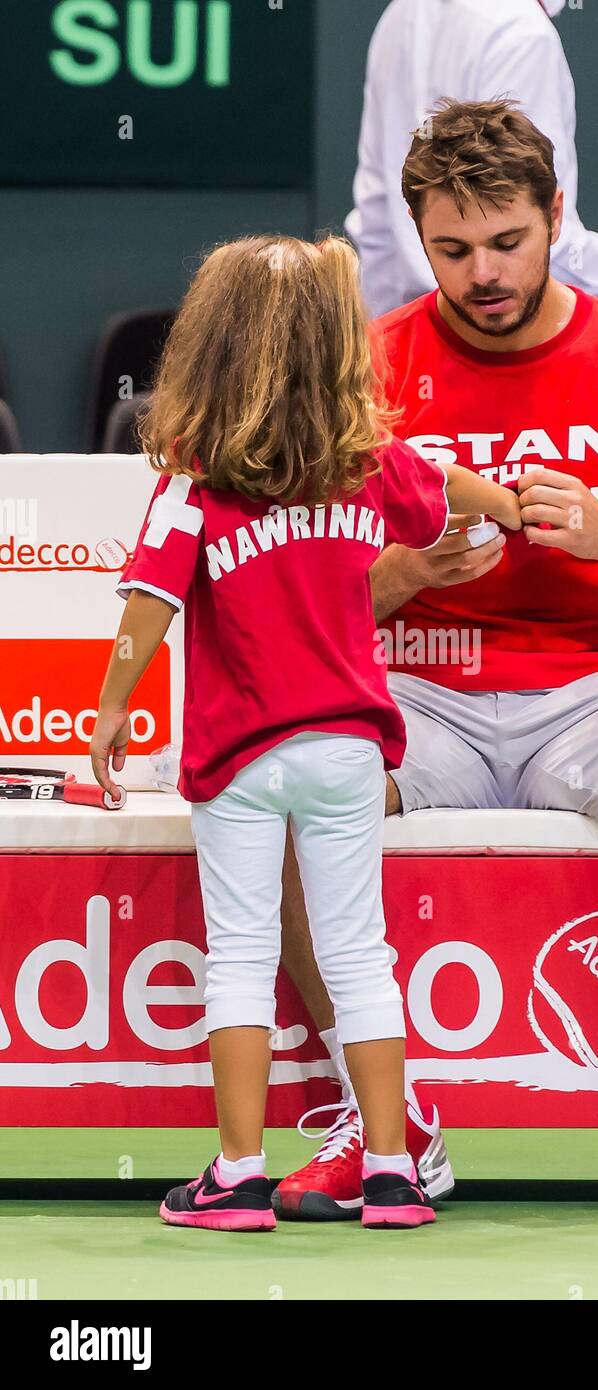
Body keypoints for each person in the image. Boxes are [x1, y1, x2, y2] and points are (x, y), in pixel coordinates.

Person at [276, 100, 598, 1227]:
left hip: (594, 696)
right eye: (452, 250)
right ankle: (385, 1120)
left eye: (506, 241)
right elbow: (287, 603)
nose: (483, 272)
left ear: (555, 217)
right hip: (414, 690)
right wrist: (404, 574)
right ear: (417, 241)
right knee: (292, 765)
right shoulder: (365, 368)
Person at [88, 233, 521, 1233]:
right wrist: (511, 505)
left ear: (210, 347)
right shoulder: (366, 464)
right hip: (348, 750)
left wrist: (111, 707)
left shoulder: (196, 478)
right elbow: (450, 486)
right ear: (338, 343)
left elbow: (148, 603)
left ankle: (237, 1175)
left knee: (238, 958)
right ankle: (390, 1171)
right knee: (361, 954)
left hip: (241, 756)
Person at [346, 0, 598, 320]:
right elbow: (538, 238)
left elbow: (375, 218)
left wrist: (382, 352)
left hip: (425, 346)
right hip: (501, 348)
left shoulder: (401, 14)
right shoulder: (520, 34)